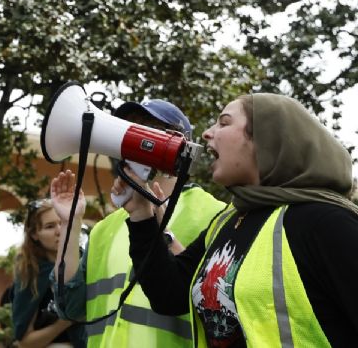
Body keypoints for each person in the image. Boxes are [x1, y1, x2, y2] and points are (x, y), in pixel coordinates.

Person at [120, 93, 358, 346]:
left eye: (224, 123)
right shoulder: (228, 221)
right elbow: (169, 296)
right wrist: (142, 216)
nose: (207, 134)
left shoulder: (325, 223)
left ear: (266, 140)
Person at [50, 99, 225, 347]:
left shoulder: (214, 215)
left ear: (177, 142)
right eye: (128, 129)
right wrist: (71, 224)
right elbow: (70, 308)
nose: (130, 139)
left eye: (147, 129)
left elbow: (220, 310)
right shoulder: (105, 229)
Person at [10, 199, 83, 348]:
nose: (59, 231)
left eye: (62, 223)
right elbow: (25, 343)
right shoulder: (31, 274)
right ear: (35, 234)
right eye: (50, 226)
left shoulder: (86, 262)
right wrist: (63, 323)